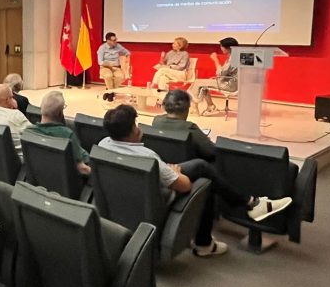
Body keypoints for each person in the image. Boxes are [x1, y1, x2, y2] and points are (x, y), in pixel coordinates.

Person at [98, 104, 293, 257]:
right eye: (135, 125)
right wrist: (175, 173)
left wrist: (169, 170)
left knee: (200, 166)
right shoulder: (148, 156)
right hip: (156, 197)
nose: (139, 128)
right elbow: (184, 186)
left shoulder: (103, 144)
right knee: (204, 181)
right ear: (132, 131)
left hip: (126, 194)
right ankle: (206, 242)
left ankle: (251, 203)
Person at [25, 91, 90, 175]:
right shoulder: (67, 134)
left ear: (41, 108)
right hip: (68, 183)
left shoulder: (28, 131)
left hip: (42, 178)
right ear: (60, 112)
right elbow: (82, 169)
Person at [152, 90, 216, 162]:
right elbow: (211, 151)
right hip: (184, 169)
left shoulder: (156, 121)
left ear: (165, 106)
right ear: (187, 107)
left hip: (162, 164)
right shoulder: (190, 128)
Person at [0, 84, 33, 159]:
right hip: (18, 161)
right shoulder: (16, 115)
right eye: (12, 97)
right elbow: (34, 135)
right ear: (7, 100)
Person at [188, 37, 239, 115]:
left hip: (229, 85)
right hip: (229, 81)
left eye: (221, 46)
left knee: (197, 82)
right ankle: (210, 106)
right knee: (203, 85)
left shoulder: (233, 58)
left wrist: (215, 59)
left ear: (228, 48)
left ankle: (194, 107)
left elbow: (220, 73)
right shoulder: (236, 56)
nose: (221, 48)